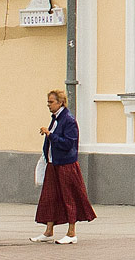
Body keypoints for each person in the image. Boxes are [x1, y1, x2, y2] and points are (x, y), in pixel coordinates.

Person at [31, 89, 95, 245]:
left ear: (60, 103)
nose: (48, 105)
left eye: (51, 102)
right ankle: (48, 231)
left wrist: (50, 135)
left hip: (66, 164)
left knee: (69, 197)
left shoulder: (68, 120)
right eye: (48, 102)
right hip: (54, 163)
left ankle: (71, 232)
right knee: (50, 197)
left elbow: (69, 143)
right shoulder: (55, 118)